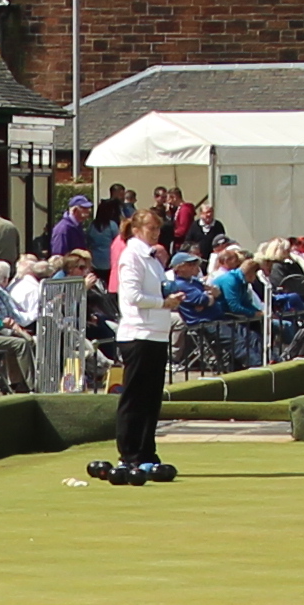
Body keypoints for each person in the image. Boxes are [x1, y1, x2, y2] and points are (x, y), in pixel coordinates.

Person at [94, 193, 176, 482]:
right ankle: (128, 452)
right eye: (151, 229)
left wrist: (169, 293)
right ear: (138, 229)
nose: (156, 233)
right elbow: (132, 296)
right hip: (138, 333)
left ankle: (146, 451)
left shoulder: (153, 257)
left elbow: (158, 288)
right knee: (135, 396)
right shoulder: (132, 255)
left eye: (158, 229)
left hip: (156, 333)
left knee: (152, 397)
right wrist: (163, 303)